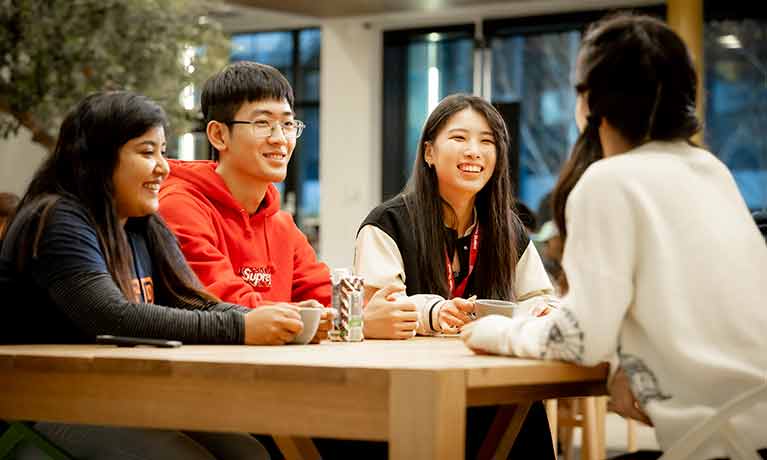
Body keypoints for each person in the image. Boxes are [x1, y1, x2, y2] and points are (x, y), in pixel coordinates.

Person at [462, 14, 767, 460]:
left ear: (589, 102)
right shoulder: (710, 170)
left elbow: (580, 342)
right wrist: (626, 364)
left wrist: (491, 330)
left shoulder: (609, 181)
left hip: (722, 445)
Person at [0, 91, 293, 459]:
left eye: (163, 151)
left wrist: (265, 320)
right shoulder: (58, 219)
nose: (163, 167)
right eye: (146, 152)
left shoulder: (142, 224)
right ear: (98, 159)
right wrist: (243, 328)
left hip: (114, 396)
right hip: (40, 404)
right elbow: (109, 317)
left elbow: (191, 303)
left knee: (249, 452)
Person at [353, 94, 558, 458]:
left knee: (526, 417)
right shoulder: (388, 224)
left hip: (487, 385)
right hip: (408, 389)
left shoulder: (507, 229)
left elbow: (539, 299)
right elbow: (379, 309)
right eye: (459, 138)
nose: (474, 151)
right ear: (429, 153)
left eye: (487, 141)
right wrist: (432, 313)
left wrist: (542, 312)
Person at [158, 62, 332, 342]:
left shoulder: (280, 222)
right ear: (218, 135)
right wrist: (302, 318)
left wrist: (359, 315)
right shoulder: (179, 206)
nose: (280, 139)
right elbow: (217, 301)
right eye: (262, 123)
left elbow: (323, 295)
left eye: (287, 124)